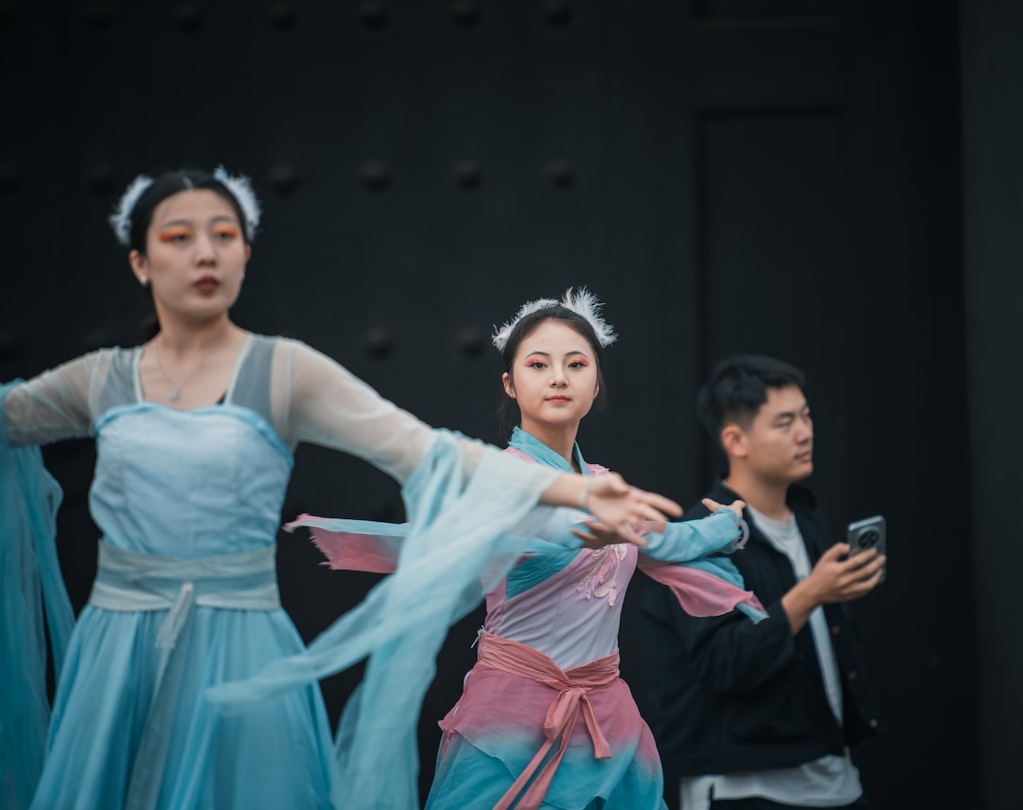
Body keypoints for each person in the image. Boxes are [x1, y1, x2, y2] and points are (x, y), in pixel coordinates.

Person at [0, 169, 683, 810]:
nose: (204, 253)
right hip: (120, 640)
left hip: (240, 633)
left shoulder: (284, 370)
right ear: (140, 263)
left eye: (225, 236)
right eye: (179, 238)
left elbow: (431, 452)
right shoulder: (99, 380)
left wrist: (584, 496)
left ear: (245, 255)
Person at [289, 290, 769, 809]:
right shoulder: (503, 479)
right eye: (538, 364)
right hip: (512, 718)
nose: (558, 377)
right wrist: (590, 525)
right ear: (510, 384)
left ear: (596, 382)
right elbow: (535, 530)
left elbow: (667, 540)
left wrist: (728, 527)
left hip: (607, 715)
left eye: (576, 364)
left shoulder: (603, 484)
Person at [639, 355, 886, 810]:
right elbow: (725, 662)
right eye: (785, 422)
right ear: (736, 440)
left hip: (832, 777)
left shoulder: (807, 516)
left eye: (807, 416)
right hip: (745, 788)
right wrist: (811, 593)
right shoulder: (700, 534)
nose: (804, 432)